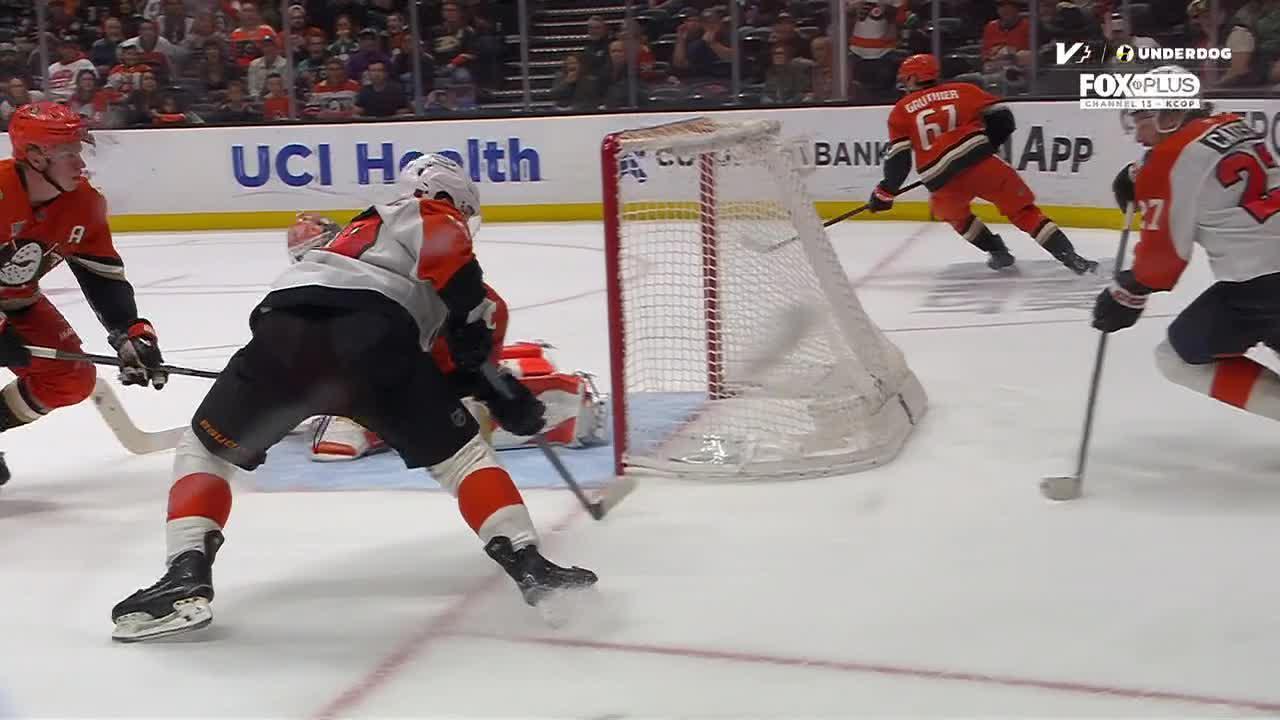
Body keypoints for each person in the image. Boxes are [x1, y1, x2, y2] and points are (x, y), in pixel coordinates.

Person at [111, 154, 598, 643]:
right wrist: (502, 391)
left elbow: (454, 365)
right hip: (378, 346)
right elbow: (457, 357)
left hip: (282, 337)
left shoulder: (354, 237)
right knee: (464, 458)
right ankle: (530, 565)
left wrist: (492, 385)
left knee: (205, 451)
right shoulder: (422, 212)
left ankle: (185, 574)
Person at [1095, 66, 1280, 421]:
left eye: (1142, 118)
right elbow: (1200, 162)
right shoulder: (1234, 124)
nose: (1137, 132)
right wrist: (1142, 173)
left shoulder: (1167, 161)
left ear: (1170, 115)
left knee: (1175, 357)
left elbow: (1162, 262)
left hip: (1260, 284)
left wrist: (1126, 292)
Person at [0, 102, 167, 486]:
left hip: (16, 300)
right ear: (36, 157)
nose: (81, 163)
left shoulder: (84, 204)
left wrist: (130, 331)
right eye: (68, 154)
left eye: (79, 151)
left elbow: (103, 277)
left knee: (70, 378)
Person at [867, 54, 1097, 275]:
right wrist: (984, 147)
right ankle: (1071, 258)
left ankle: (998, 252)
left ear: (913, 78)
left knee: (959, 218)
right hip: (982, 164)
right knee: (1023, 212)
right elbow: (1004, 119)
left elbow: (899, 161)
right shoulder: (964, 90)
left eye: (906, 79)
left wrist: (885, 193)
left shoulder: (901, 110)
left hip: (941, 181)